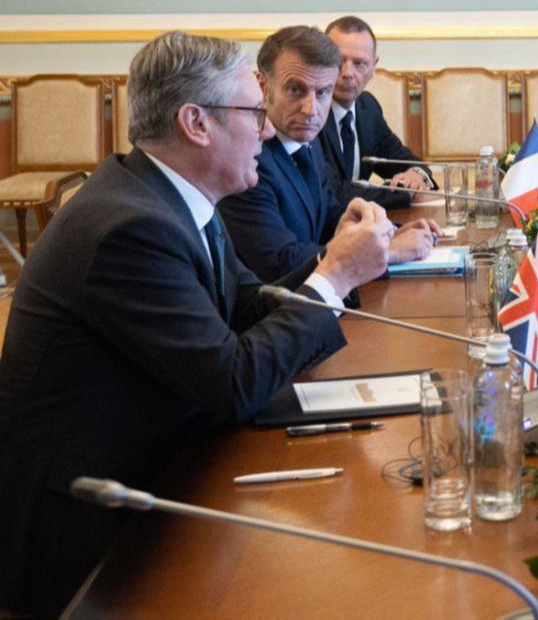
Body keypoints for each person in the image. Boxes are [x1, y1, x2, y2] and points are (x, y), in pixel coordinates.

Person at [0, 32, 393, 616]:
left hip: (164, 468)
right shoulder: (128, 228)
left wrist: (332, 267)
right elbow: (231, 382)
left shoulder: (171, 197)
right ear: (196, 123)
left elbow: (248, 305)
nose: (267, 131)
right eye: (254, 112)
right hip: (91, 532)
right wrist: (333, 279)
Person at [218, 26, 438, 283]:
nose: (311, 110)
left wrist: (388, 233)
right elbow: (279, 262)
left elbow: (330, 218)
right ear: (263, 87)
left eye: (323, 93)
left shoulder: (307, 143)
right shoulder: (247, 159)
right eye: (295, 90)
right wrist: (387, 251)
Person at [318, 15, 435, 211]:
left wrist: (415, 175)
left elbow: (405, 162)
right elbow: (334, 193)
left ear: (373, 66)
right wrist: (403, 194)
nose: (347, 73)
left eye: (359, 63)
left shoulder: (368, 108)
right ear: (321, 61)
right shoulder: (310, 114)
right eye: (338, 61)